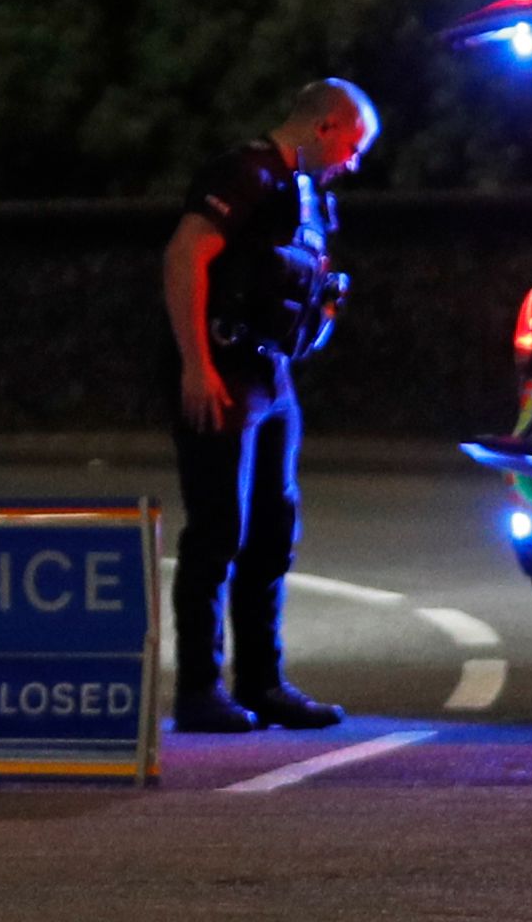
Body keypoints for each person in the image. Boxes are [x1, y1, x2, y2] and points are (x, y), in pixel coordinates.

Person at [161, 76, 375, 734]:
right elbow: (184, 256)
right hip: (226, 370)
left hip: (273, 377)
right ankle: (200, 690)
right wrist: (196, 364)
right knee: (218, 530)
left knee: (272, 536)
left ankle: (262, 683)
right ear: (325, 127)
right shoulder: (245, 172)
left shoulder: (306, 192)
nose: (354, 161)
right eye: (354, 145)